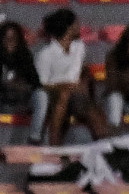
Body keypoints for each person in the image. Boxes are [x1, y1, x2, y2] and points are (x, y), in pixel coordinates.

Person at [32, 9, 108, 144]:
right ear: (68, 27)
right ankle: (54, 144)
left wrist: (81, 83)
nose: (79, 26)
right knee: (64, 96)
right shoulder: (46, 54)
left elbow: (80, 71)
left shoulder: (79, 47)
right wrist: (66, 87)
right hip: (54, 94)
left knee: (91, 109)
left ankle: (104, 147)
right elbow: (41, 84)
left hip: (76, 93)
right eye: (76, 23)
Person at [0, 22, 41, 127]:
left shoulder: (25, 56)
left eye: (13, 38)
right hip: (3, 100)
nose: (10, 42)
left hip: (21, 99)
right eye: (6, 38)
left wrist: (20, 85)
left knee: (39, 96)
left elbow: (34, 82)